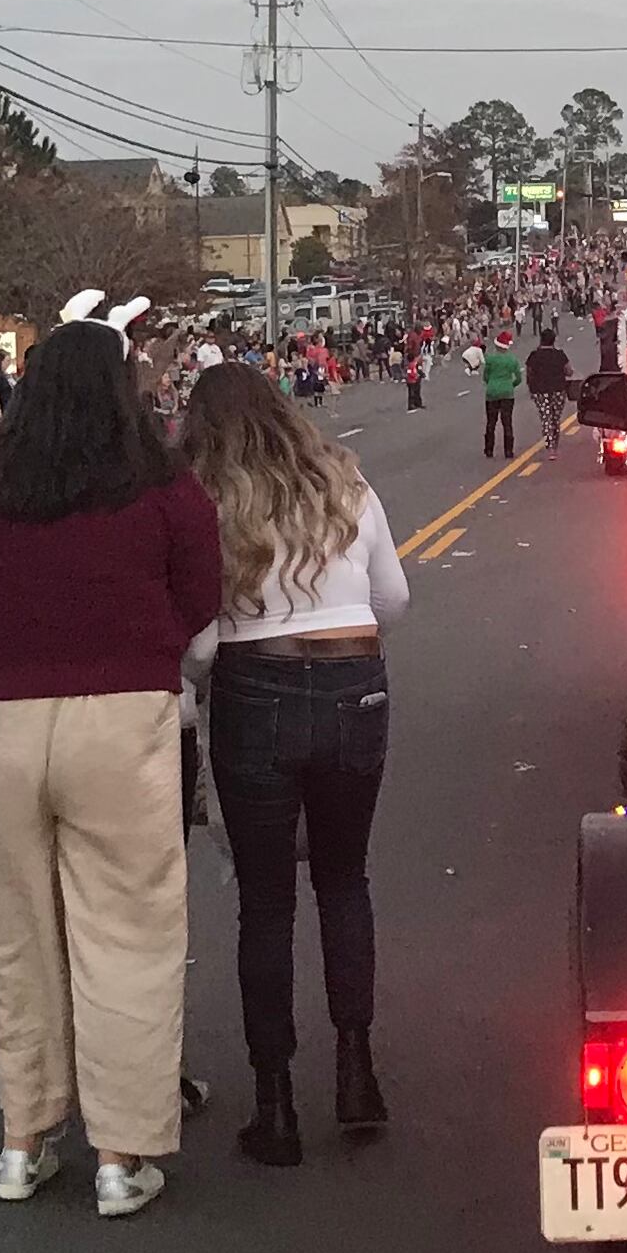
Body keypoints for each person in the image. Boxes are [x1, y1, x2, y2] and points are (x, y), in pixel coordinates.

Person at [0, 318, 220, 1219]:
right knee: (127, 929)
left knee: (12, 926)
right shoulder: (162, 483)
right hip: (122, 712)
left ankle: (23, 1137)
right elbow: (201, 593)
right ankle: (120, 1154)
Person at [177, 362, 409, 1165]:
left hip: (257, 686)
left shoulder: (209, 502)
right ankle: (357, 1072)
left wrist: (203, 674)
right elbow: (394, 600)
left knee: (266, 902)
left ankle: (274, 1103)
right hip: (354, 679)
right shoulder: (345, 482)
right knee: (344, 879)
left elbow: (199, 643)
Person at [524, 327, 574, 455]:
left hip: (539, 391)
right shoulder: (560, 355)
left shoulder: (534, 356)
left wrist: (530, 388)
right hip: (558, 390)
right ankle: (554, 442)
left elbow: (529, 374)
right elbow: (569, 371)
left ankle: (550, 445)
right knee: (555, 418)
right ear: (553, 340)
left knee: (545, 417)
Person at [478, 332, 522, 458]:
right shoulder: (512, 360)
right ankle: (508, 450)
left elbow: (485, 377)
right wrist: (510, 385)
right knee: (507, 422)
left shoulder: (490, 359)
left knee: (491, 422)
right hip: (507, 392)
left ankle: (489, 449)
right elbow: (519, 378)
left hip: (492, 392)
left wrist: (492, 383)